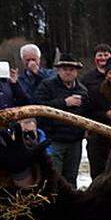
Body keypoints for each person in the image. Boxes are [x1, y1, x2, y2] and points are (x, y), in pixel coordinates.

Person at [33, 54, 89, 186]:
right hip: (54, 140)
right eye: (65, 69)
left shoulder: (82, 90)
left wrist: (86, 129)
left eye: (72, 69)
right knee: (53, 177)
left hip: (75, 141)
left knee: (71, 178)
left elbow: (87, 112)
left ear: (76, 71)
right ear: (58, 70)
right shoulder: (46, 86)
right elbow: (39, 106)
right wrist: (64, 103)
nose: (68, 72)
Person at [81, 44, 111, 174]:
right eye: (100, 55)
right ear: (95, 58)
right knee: (97, 169)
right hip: (95, 129)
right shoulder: (87, 79)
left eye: (106, 54)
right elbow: (84, 105)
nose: (103, 58)